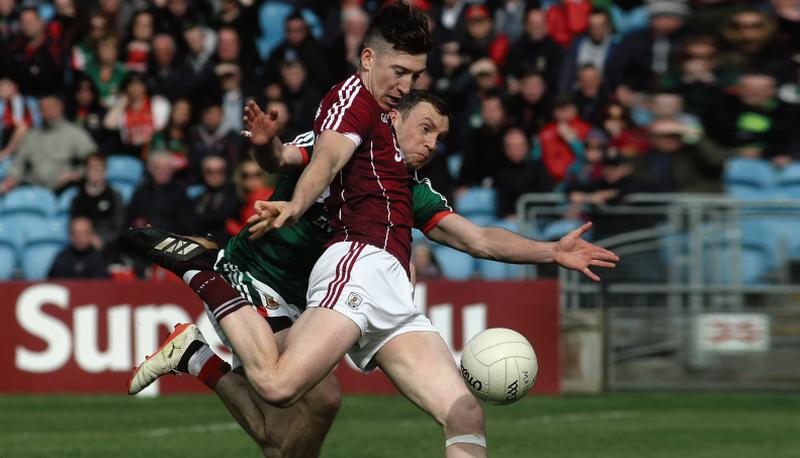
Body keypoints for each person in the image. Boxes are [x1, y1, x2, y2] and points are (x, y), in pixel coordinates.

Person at [121, 6, 617, 457]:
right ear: (369, 61)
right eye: (423, 123)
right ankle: (204, 273)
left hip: (379, 289)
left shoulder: (407, 181)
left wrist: (552, 250)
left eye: (415, 76)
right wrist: (291, 198)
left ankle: (195, 355)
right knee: (278, 391)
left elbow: (478, 239)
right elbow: (317, 154)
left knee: (455, 414)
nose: (430, 140)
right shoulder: (354, 102)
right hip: (318, 270)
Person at [1, 93, 96, 194]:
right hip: (35, 188)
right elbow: (18, 163)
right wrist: (12, 178)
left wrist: (76, 174)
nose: (47, 112)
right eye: (43, 108)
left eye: (51, 107)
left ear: (60, 107)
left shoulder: (74, 133)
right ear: (39, 111)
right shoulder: (32, 136)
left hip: (64, 188)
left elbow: (95, 160)